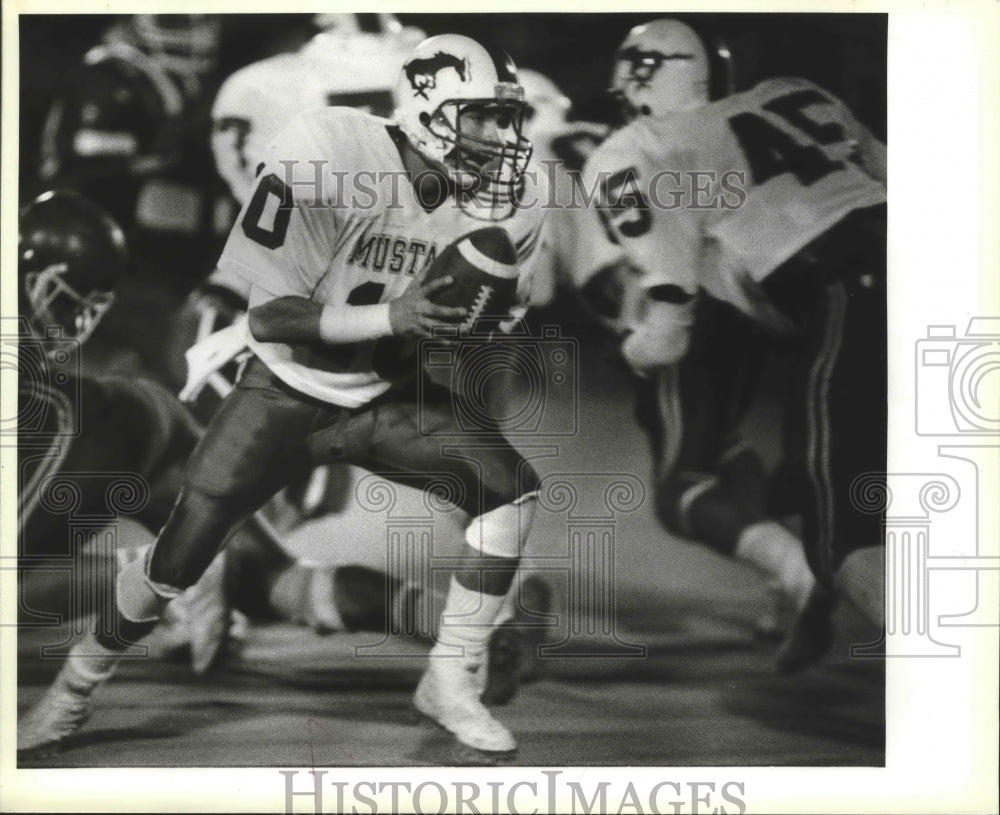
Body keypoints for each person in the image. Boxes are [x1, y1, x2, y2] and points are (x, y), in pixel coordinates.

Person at [18, 33, 549, 761]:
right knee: (176, 564)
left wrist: (471, 325)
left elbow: (478, 318)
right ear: (430, 111)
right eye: (484, 117)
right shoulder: (329, 152)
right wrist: (394, 317)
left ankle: (450, 680)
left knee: (507, 490)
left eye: (507, 118)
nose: (504, 137)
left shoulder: (513, 198)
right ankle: (73, 689)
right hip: (284, 392)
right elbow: (270, 315)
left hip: (384, 390)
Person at [13, 190, 435, 682]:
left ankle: (159, 576)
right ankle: (461, 624)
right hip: (149, 411)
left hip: (99, 416)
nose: (77, 323)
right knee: (279, 579)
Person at [579, 19, 886, 668]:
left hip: (843, 289)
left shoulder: (638, 146)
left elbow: (665, 323)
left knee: (840, 534)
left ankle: (955, 682)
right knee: (820, 469)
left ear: (639, 80)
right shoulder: (795, 93)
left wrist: (634, 344)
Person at [35, 14, 233, 388]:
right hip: (87, 256)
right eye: (175, 18)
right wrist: (229, 215)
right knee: (172, 363)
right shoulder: (113, 83)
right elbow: (113, 197)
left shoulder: (158, 77)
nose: (193, 32)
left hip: (131, 253)